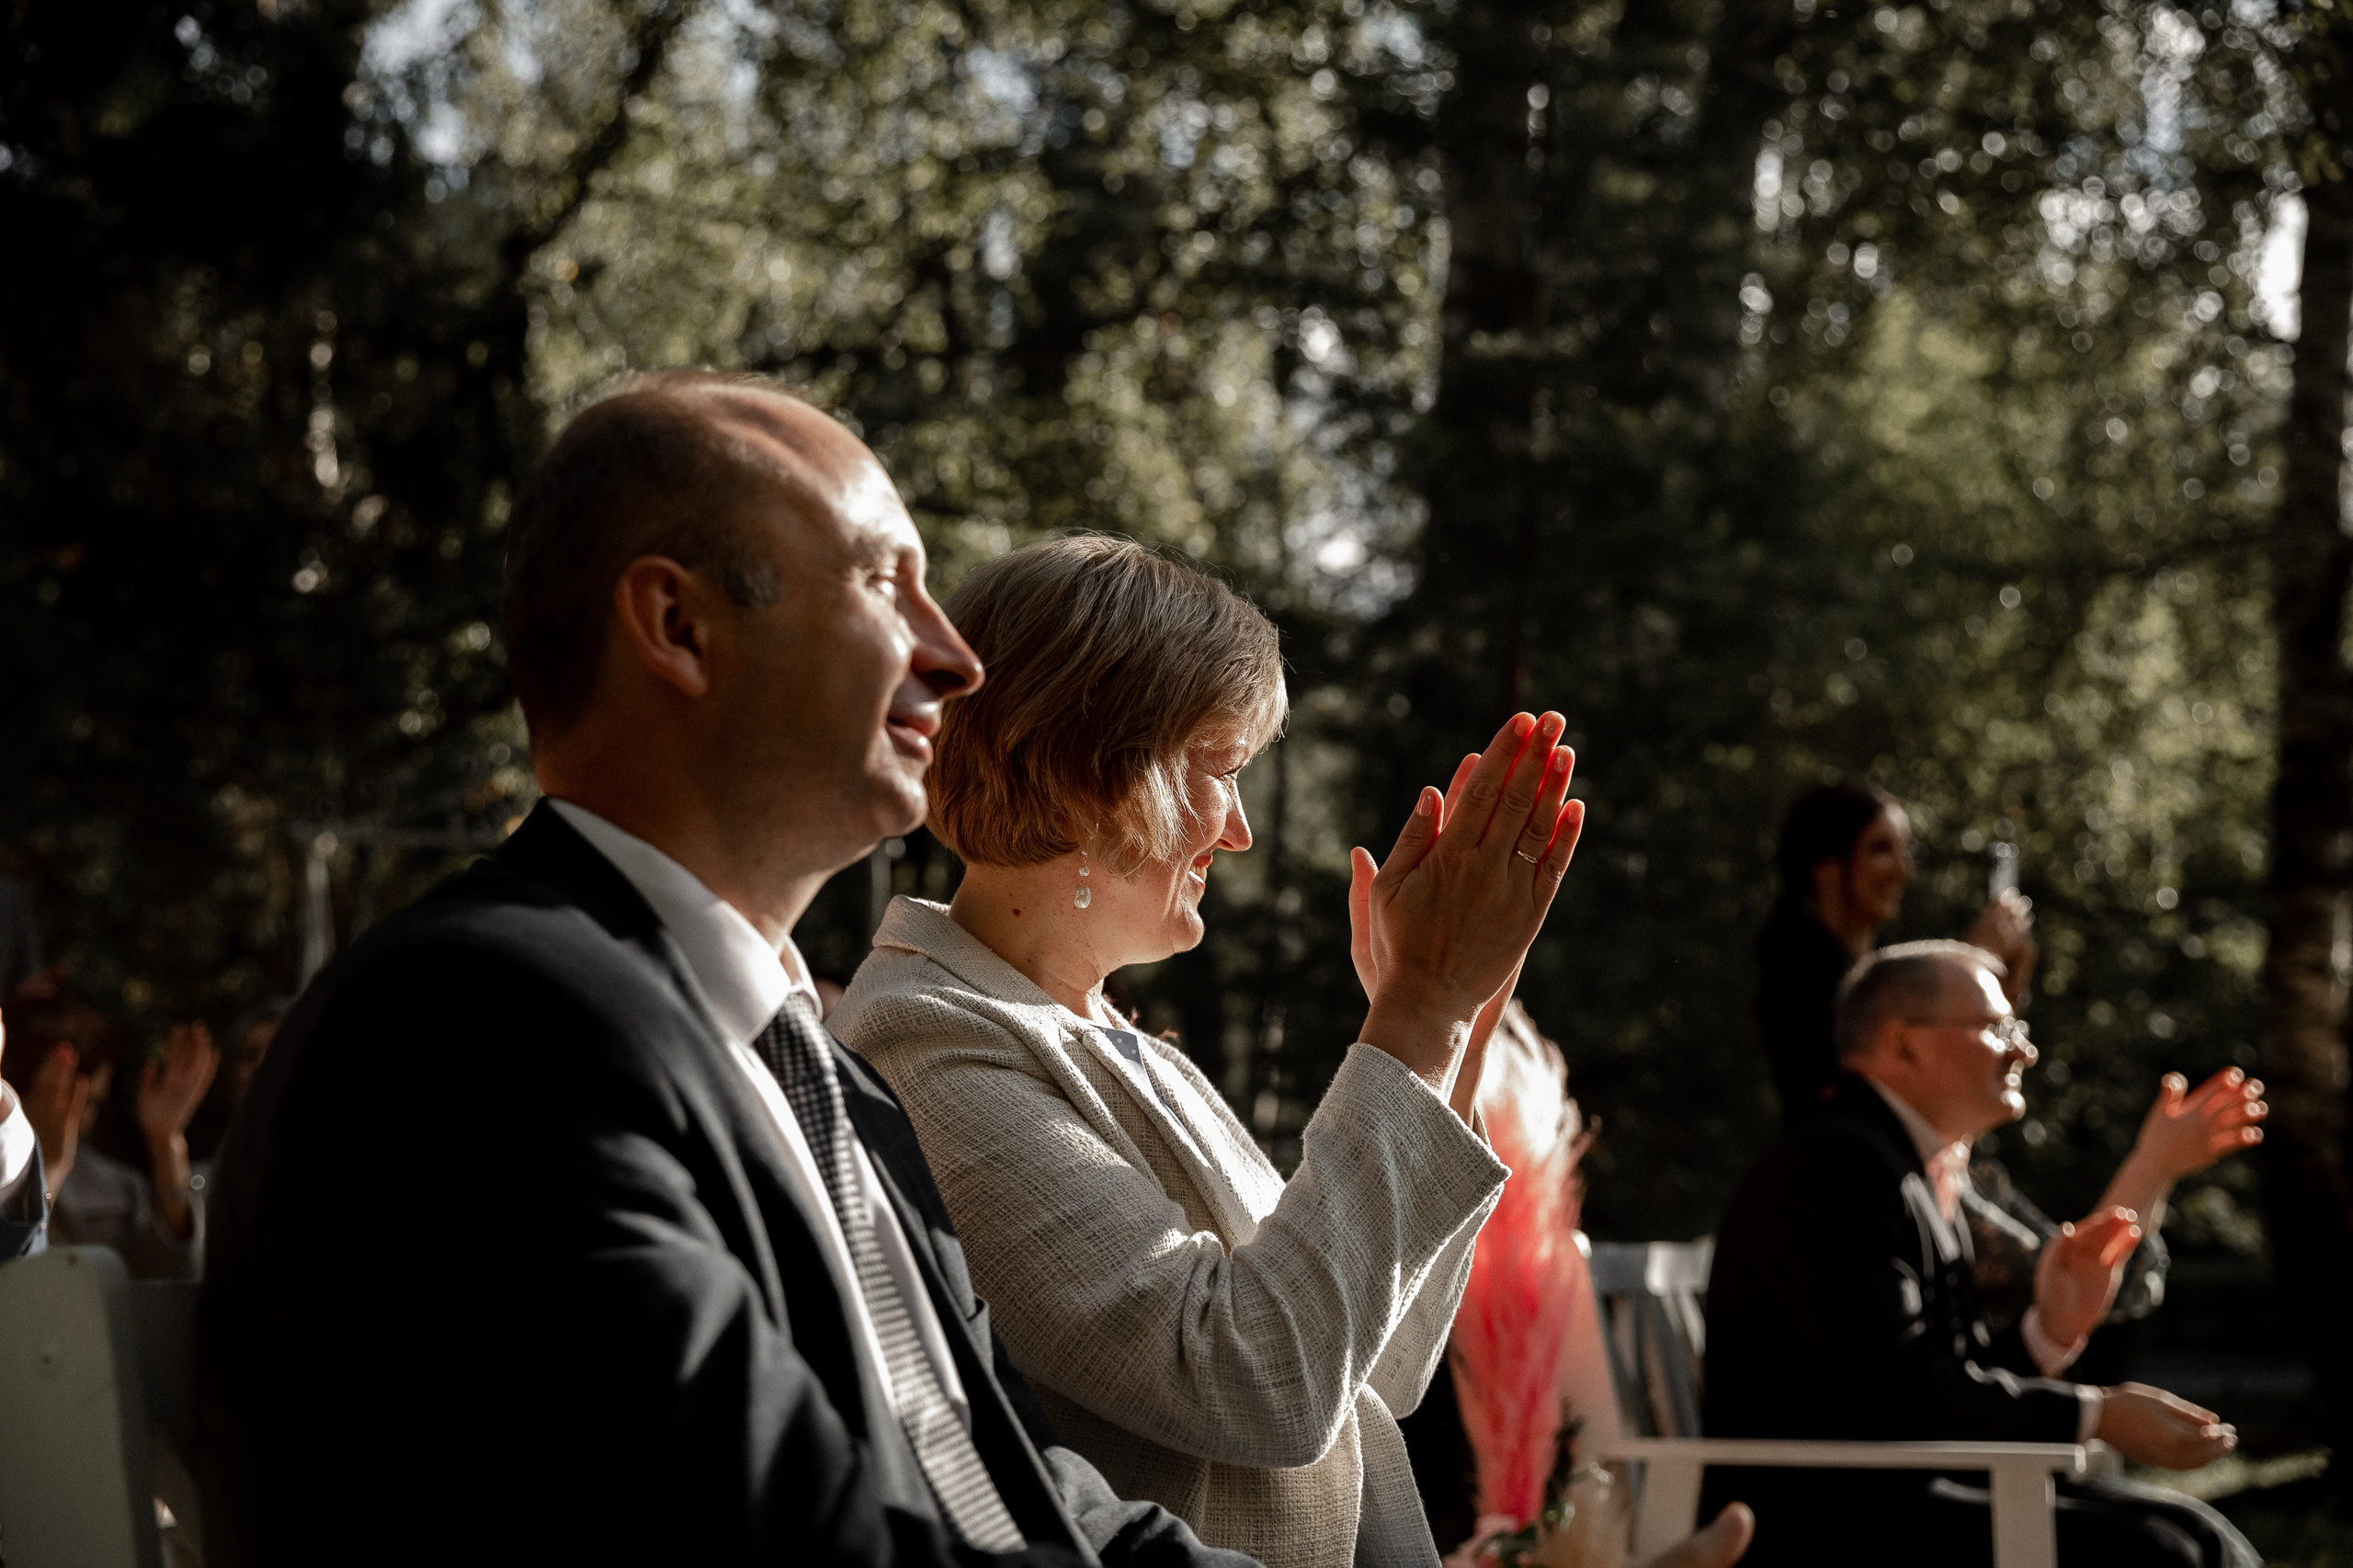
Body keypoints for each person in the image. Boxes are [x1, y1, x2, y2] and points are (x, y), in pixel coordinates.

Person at [199, 374, 1257, 1568]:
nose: (954, 659)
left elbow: (1013, 1485)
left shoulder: (818, 1071)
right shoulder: (474, 1024)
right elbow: (758, 1526)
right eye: (880, 581)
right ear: (678, 627)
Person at [835, 537, 1748, 1568]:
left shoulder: (1116, 1039)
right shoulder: (930, 1042)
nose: (1237, 832)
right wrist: (1418, 1013)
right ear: (1093, 778)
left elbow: (1371, 1365)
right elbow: (1261, 1382)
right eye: (1217, 772)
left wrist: (1454, 1020)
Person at [1702, 940, 2260, 1568]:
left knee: (2193, 1533)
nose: (2025, 1048)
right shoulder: (1838, 1168)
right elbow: (1899, 1396)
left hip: (1892, 1490)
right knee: (2163, 1552)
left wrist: (2048, 1332)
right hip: (1820, 1521)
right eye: (1997, 1027)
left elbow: (1930, 1383)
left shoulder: (1897, 1162)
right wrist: (2095, 1413)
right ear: (1904, 1043)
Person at [1752, 782, 2266, 1337]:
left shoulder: (1922, 1174)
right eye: (1880, 848)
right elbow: (2032, 1322)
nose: (2024, 1049)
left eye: (2010, 1025)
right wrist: (2155, 1164)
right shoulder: (1866, 1183)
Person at [0, 994, 218, 1278]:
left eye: (92, 1103)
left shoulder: (117, 1193)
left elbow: (172, 1281)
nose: (81, 1120)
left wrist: (166, 1142)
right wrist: (45, 1169)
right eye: (60, 1099)